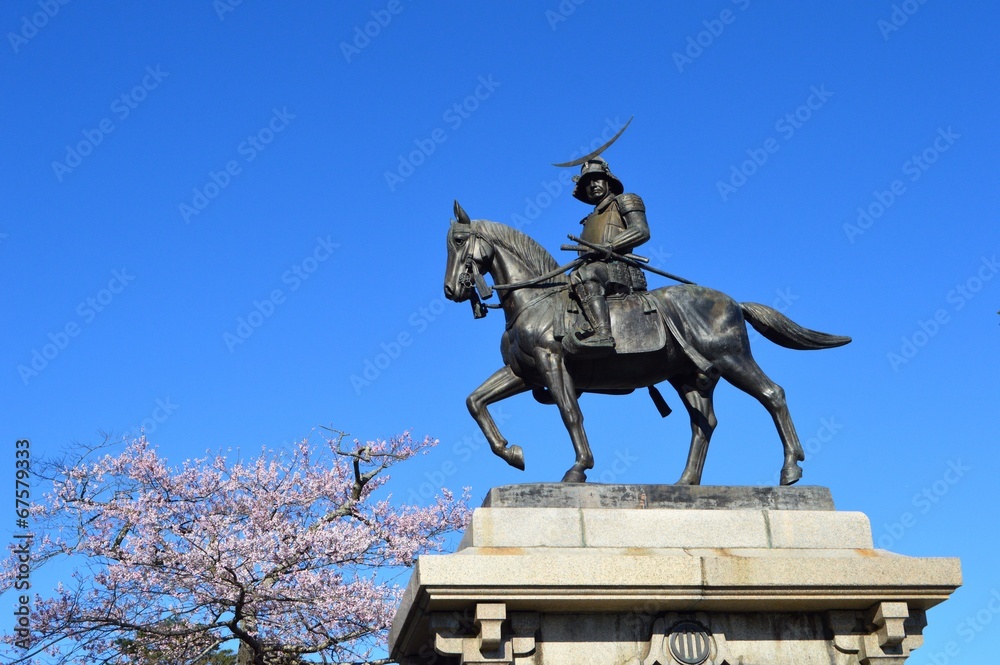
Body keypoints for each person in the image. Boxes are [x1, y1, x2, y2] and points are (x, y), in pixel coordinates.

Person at [568, 158, 650, 355]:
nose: (592, 185)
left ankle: (603, 333)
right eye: (587, 183)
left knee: (586, 274)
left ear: (608, 181)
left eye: (597, 179)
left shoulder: (625, 200)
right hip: (592, 269)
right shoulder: (588, 220)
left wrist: (609, 246)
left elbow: (641, 230)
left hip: (617, 269)